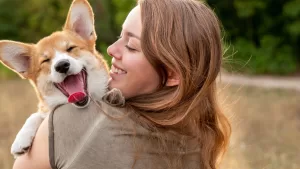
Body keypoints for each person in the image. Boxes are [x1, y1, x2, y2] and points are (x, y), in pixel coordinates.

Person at [13, 0, 231, 169]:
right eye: (120, 36)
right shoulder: (199, 140)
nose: (110, 50)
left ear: (172, 74)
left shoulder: (72, 122)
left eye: (132, 46)